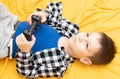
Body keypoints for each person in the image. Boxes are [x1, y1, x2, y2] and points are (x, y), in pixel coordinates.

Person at [0, 2, 116, 78]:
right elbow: (54, 10)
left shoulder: (59, 66)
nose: (82, 38)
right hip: (11, 21)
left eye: (86, 45)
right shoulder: (71, 29)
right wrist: (43, 14)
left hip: (5, 44)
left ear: (85, 60)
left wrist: (25, 51)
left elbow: (27, 72)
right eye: (87, 35)